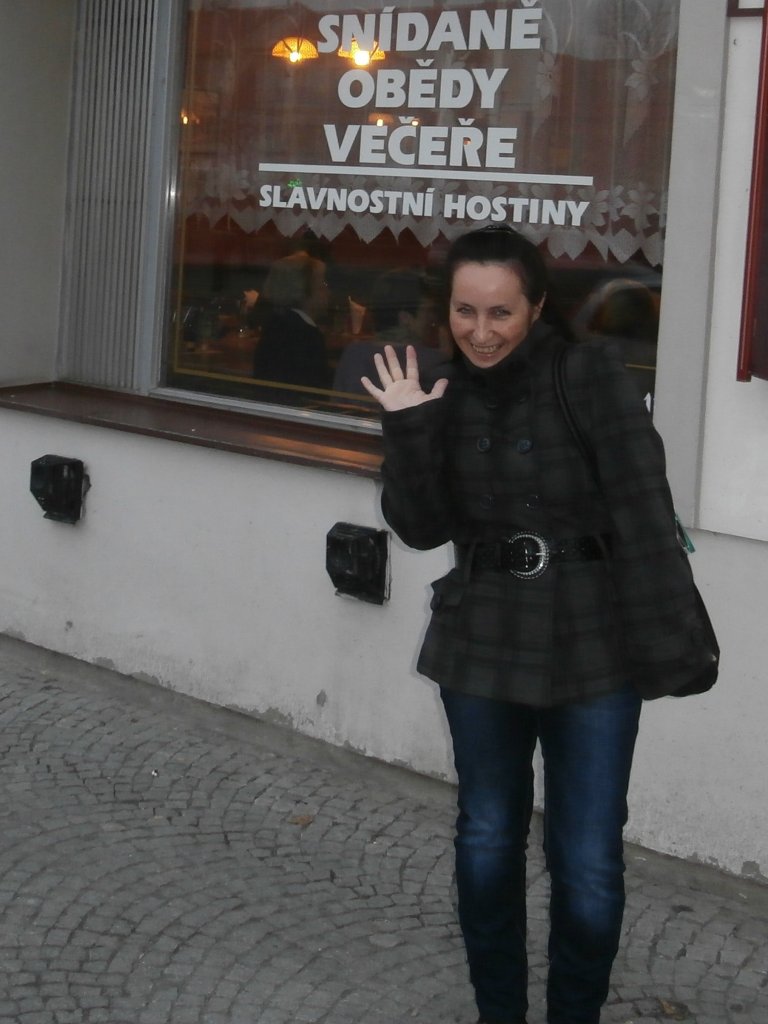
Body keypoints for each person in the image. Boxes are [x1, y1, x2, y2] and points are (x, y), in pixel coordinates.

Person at [361, 225, 693, 1024]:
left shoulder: (590, 375)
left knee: (588, 860)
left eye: (500, 312)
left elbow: (645, 508)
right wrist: (407, 427)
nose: (480, 332)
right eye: (465, 312)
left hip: (594, 640)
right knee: (486, 837)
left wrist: (666, 641)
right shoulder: (442, 391)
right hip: (481, 635)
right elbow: (420, 528)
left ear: (537, 306)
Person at [333, 268, 448, 398]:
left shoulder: (353, 354)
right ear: (405, 318)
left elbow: (336, 403)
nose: (433, 318)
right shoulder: (433, 361)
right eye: (428, 311)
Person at [252, 249, 331, 398]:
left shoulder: (275, 324)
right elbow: (314, 395)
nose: (328, 292)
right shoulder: (307, 337)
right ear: (304, 293)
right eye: (322, 285)